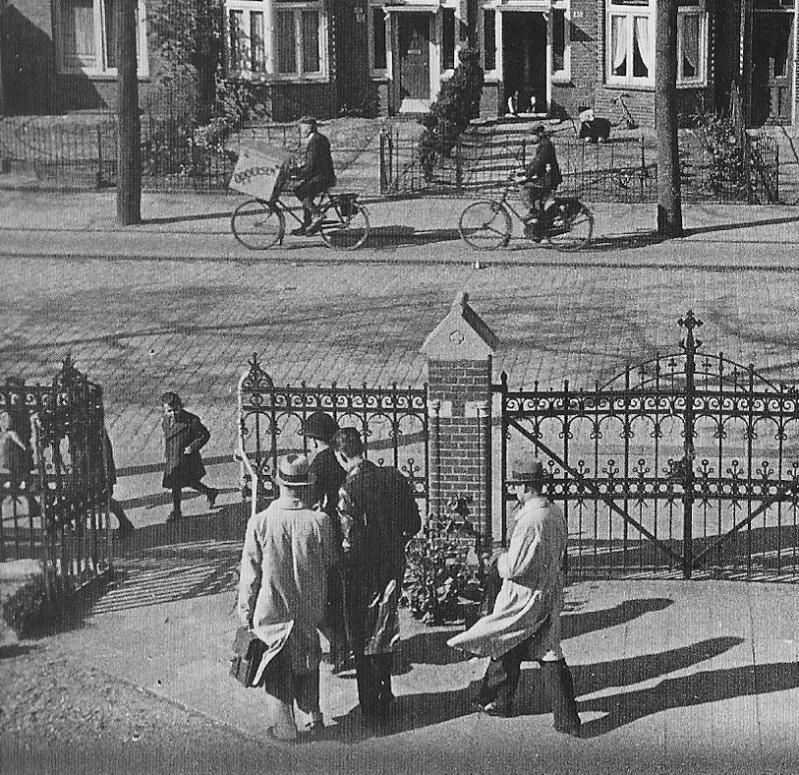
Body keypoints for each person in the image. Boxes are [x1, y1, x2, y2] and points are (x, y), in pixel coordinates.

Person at [447, 459, 581, 737]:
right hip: (548, 589)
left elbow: (516, 567)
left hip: (523, 593)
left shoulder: (531, 520)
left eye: (516, 487)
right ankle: (567, 719)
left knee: (507, 640)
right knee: (548, 650)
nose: (515, 492)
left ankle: (497, 700)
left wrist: (497, 561)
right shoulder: (553, 511)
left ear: (524, 486)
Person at [238, 453, 337, 741]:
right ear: (307, 486)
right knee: (307, 662)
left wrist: (245, 616)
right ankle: (314, 717)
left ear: (279, 483)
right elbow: (330, 561)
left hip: (272, 612)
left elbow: (250, 575)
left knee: (277, 671)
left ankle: (285, 729)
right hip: (308, 609)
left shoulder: (260, 522)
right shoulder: (320, 521)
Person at [331, 427, 421, 728]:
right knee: (384, 629)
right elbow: (414, 523)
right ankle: (387, 693)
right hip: (391, 567)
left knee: (361, 637)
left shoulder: (348, 490)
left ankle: (371, 704)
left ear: (342, 455)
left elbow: (347, 539)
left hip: (360, 574)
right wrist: (395, 542)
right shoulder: (394, 477)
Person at [301, 411, 349, 674]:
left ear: (314, 440)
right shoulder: (338, 458)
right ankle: (344, 646)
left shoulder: (318, 464)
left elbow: (310, 500)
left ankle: (340, 650)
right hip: (343, 534)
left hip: (326, 536)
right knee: (337, 596)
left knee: (324, 600)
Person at [160, 392, 218, 523]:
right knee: (177, 485)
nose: (173, 413)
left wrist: (192, 447)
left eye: (176, 409)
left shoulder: (192, 420)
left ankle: (178, 510)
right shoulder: (166, 421)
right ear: (164, 410)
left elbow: (204, 435)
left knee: (188, 482)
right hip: (173, 458)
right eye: (169, 411)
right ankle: (178, 510)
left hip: (187, 459)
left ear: (181, 406)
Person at [290, 116, 336, 237]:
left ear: (309, 128)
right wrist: (298, 171)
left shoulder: (316, 141)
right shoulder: (317, 138)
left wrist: (297, 175)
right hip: (322, 175)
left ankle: (317, 214)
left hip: (323, 177)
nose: (300, 131)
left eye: (301, 128)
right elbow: (312, 163)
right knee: (307, 194)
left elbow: (311, 166)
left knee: (300, 191)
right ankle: (307, 226)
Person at [1, 378, 39, 518]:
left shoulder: (23, 411)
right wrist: (24, 446)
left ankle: (33, 506)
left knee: (25, 478)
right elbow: (11, 432)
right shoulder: (8, 412)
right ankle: (32, 504)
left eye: (19, 393)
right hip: (14, 450)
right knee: (15, 479)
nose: (17, 396)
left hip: (23, 450)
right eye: (14, 393)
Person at [517, 124, 563, 239]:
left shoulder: (546, 145)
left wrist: (526, 176)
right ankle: (537, 223)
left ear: (539, 134)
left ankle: (533, 212)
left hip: (549, 179)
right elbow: (535, 162)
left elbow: (539, 163)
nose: (530, 138)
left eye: (532, 135)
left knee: (525, 186)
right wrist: (524, 171)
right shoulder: (543, 144)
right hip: (546, 177)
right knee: (536, 196)